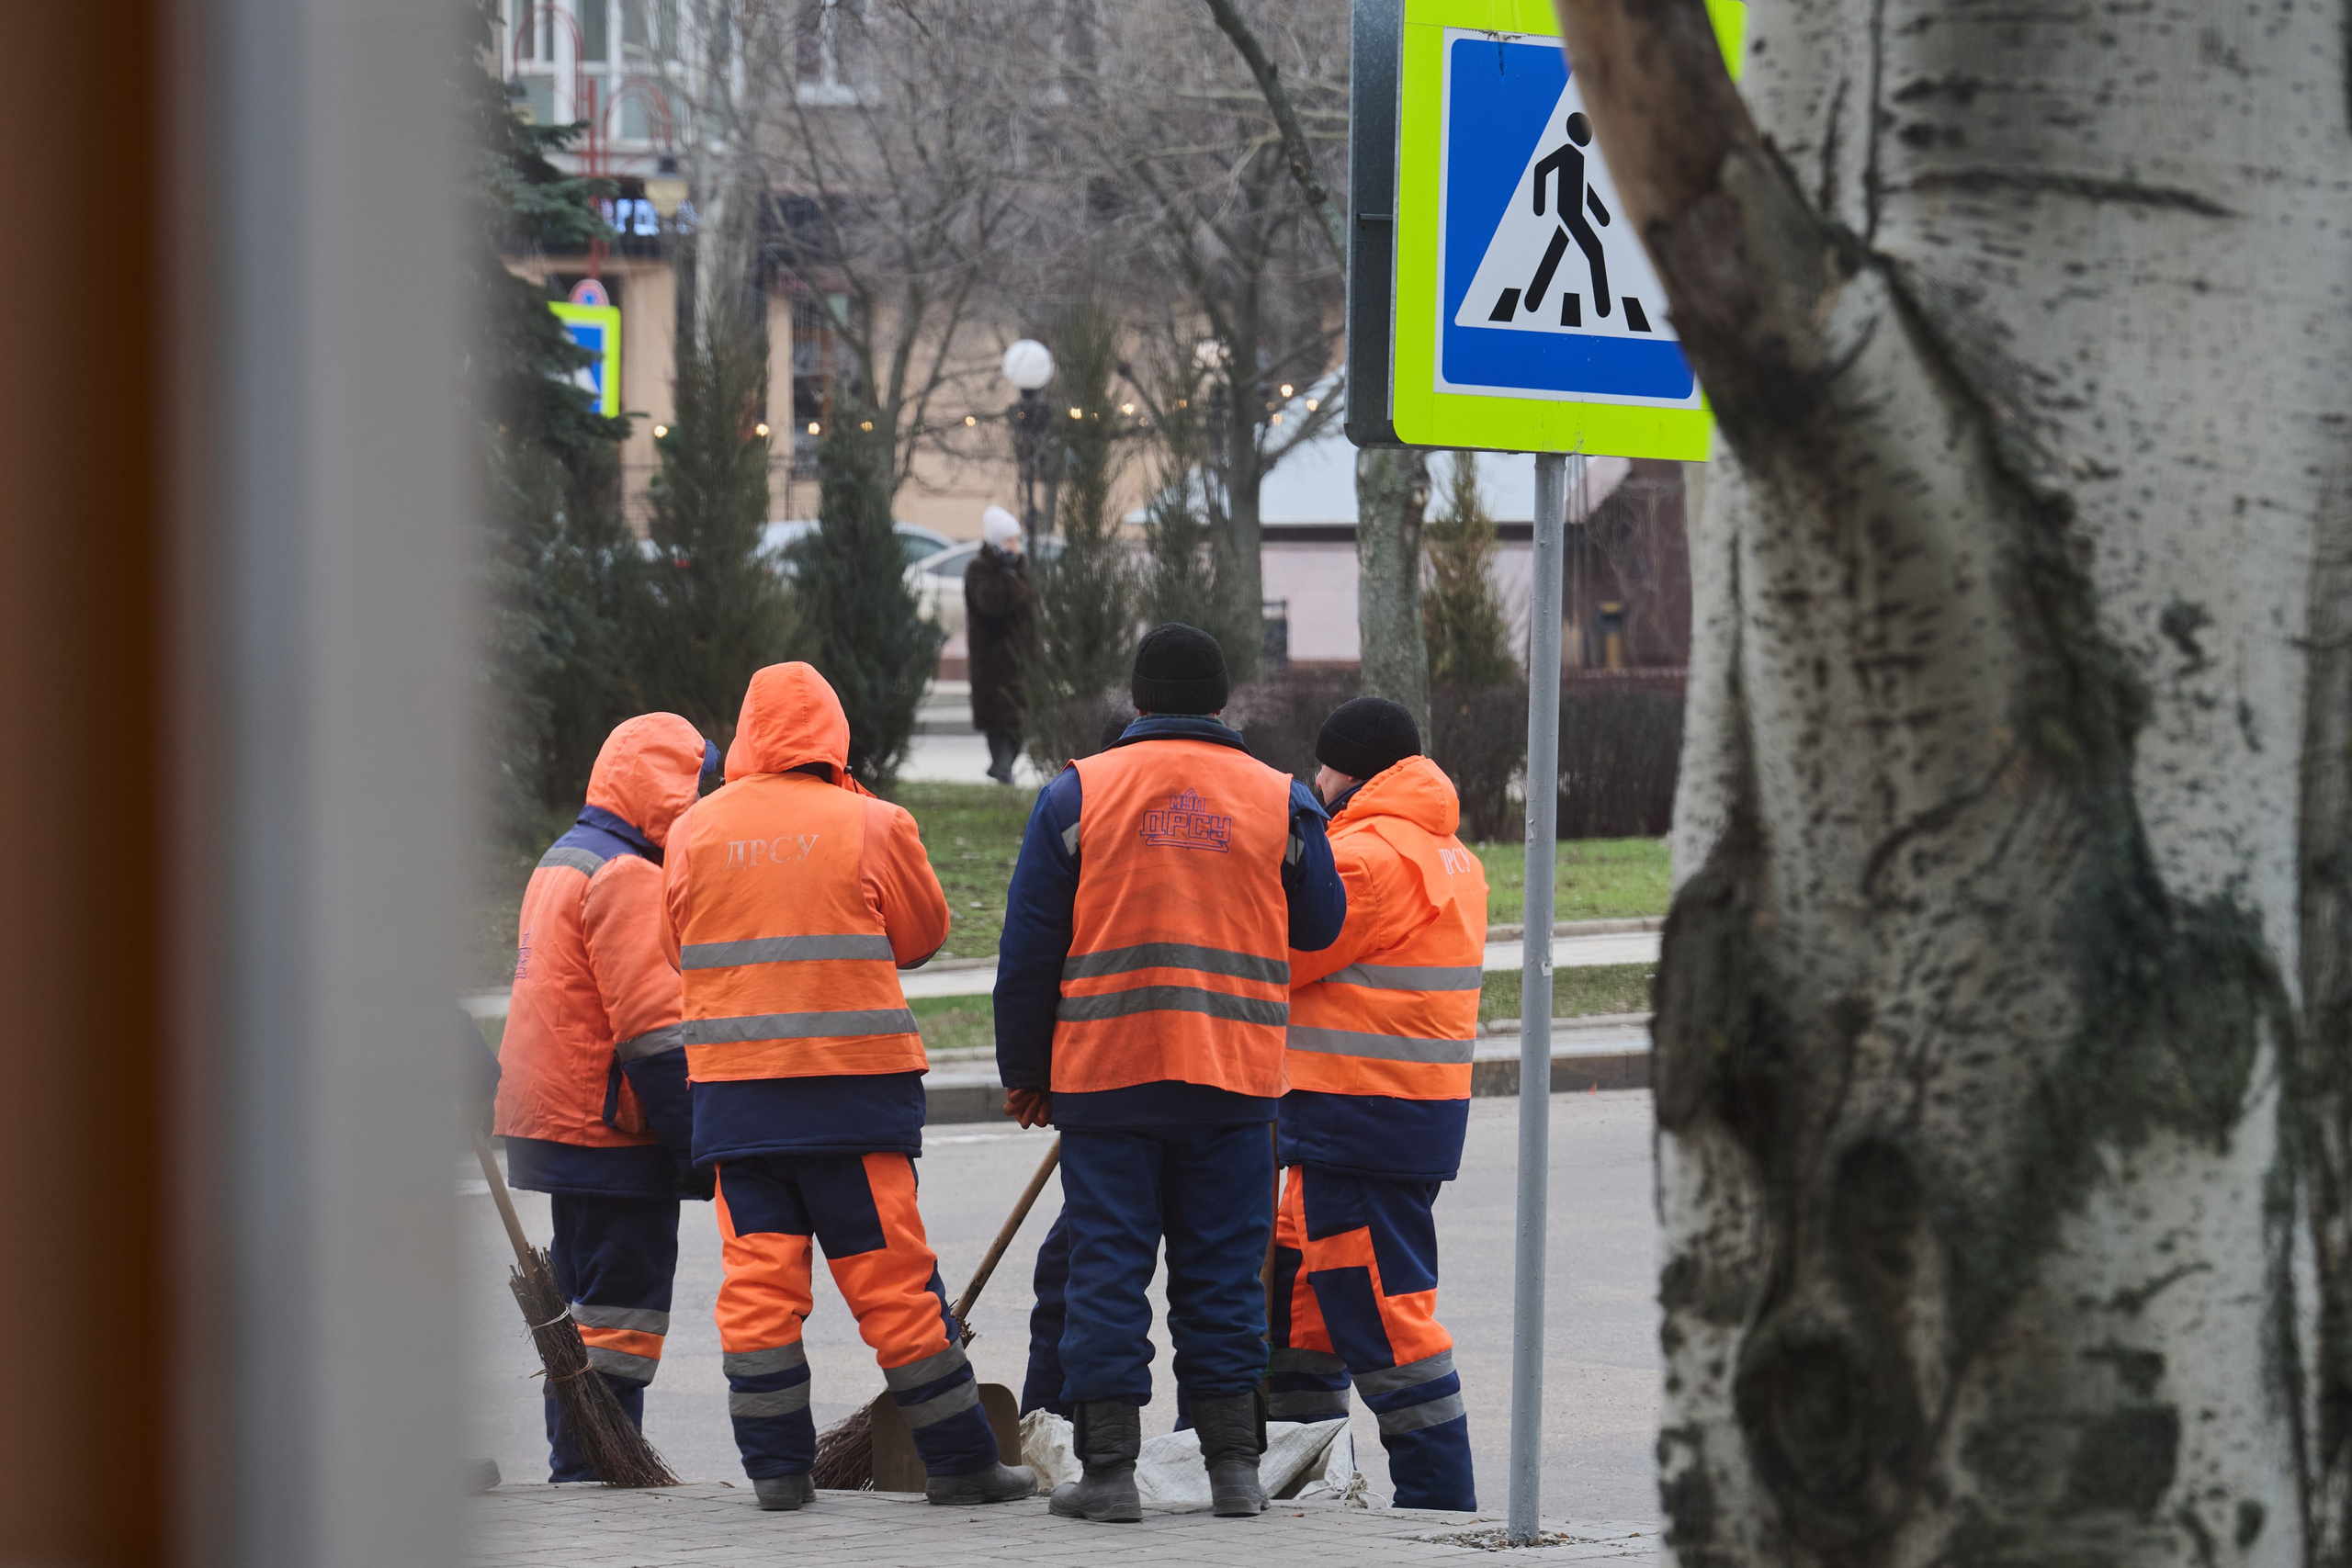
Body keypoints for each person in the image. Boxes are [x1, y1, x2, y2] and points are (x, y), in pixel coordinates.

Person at [662, 661, 1035, 1512]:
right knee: (894, 1285)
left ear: (748, 734)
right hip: (850, 1102)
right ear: (832, 734)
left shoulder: (693, 830)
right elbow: (924, 931)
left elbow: (672, 945)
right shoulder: (870, 821)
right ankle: (961, 1463)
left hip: (738, 1104)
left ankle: (778, 1471)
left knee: (758, 1286)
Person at [995, 625, 1347, 1523]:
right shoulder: (1280, 800)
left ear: (1137, 701)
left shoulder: (1079, 794)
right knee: (1226, 1272)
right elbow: (1319, 927)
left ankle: (1109, 1472)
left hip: (1108, 1080)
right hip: (1233, 1081)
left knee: (1106, 1267)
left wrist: (1027, 1073)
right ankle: (1234, 1470)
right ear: (1222, 703)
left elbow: (1030, 950)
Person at [1268, 698, 1484, 1510]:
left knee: (1386, 1322)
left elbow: (1290, 952)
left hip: (1358, 1123)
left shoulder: (1368, 855)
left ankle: (1439, 1511)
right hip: (1379, 1121)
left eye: (1322, 768)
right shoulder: (1441, 848)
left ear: (1348, 770)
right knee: (1301, 1319)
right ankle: (1301, 1482)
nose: (1315, 782)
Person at [492, 713, 714, 1482]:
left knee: (583, 1314)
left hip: (558, 1121)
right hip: (614, 1133)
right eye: (697, 785)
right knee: (620, 1317)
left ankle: (583, 1462)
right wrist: (698, 1147)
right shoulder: (627, 874)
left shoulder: (566, 857)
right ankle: (594, 1470)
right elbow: (655, 1036)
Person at [966, 504, 1035, 784]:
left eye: (1016, 540)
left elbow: (1028, 603)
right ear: (996, 543)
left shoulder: (1018, 568)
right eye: (1009, 541)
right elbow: (991, 604)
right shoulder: (979, 569)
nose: (1015, 547)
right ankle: (1002, 767)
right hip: (993, 660)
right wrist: (1006, 575)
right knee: (999, 719)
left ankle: (1002, 766)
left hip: (1021, 659)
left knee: (1020, 720)